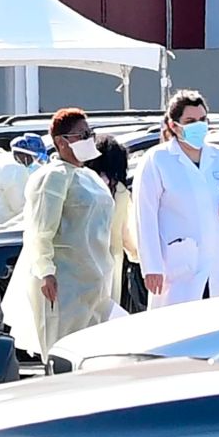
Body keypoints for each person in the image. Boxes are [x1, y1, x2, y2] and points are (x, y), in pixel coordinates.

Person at [2, 109, 119, 362]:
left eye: (91, 133)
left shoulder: (88, 176)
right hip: (65, 284)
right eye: (83, 135)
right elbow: (40, 230)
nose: (89, 139)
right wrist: (46, 271)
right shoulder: (51, 177)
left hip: (95, 281)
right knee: (63, 354)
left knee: (93, 356)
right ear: (61, 141)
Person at [134, 91, 219, 308]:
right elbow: (145, 216)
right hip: (178, 265)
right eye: (190, 121)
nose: (198, 126)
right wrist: (152, 267)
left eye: (202, 120)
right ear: (174, 125)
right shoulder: (157, 160)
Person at [87, 134, 144, 312]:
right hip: (113, 258)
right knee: (107, 310)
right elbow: (127, 234)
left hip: (84, 258)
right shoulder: (121, 192)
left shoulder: (85, 184)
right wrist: (140, 256)